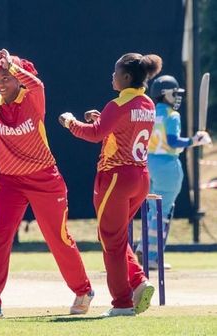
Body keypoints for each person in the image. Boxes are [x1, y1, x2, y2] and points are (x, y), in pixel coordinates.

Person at [0, 49, 94, 318]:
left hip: (44, 179)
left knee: (57, 238)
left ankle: (83, 290)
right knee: (0, 239)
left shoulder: (32, 98)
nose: (0, 82)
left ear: (18, 79)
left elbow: (37, 84)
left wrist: (12, 66)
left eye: (5, 77)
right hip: (9, 182)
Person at [58, 52, 162, 317]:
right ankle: (138, 281)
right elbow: (119, 129)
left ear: (126, 77)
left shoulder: (117, 105)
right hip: (140, 177)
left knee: (112, 242)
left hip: (116, 177)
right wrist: (101, 118)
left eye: (116, 73)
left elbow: (95, 135)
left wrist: (71, 122)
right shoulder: (147, 102)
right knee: (114, 237)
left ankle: (122, 303)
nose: (112, 77)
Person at [136, 75, 212, 269]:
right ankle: (151, 255)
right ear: (165, 94)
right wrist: (195, 140)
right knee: (163, 212)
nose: (177, 97)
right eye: (174, 93)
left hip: (146, 163)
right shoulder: (172, 115)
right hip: (167, 165)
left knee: (152, 211)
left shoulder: (149, 112)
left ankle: (143, 247)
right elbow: (173, 141)